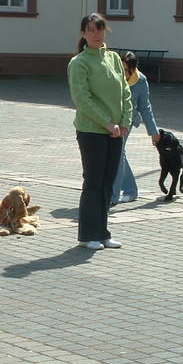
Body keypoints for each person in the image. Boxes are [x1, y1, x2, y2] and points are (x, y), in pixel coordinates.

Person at [68, 13, 132, 250]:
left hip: (115, 131)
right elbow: (82, 99)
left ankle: (103, 233)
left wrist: (125, 121)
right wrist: (106, 123)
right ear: (83, 34)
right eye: (91, 30)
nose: (96, 34)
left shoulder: (113, 58)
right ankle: (87, 236)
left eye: (100, 29)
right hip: (92, 131)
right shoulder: (79, 63)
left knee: (108, 183)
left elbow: (125, 90)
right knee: (93, 182)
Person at [111, 51, 161, 205]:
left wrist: (153, 131)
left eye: (127, 70)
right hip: (111, 120)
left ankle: (113, 196)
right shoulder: (112, 76)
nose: (124, 73)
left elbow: (145, 107)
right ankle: (131, 190)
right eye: (122, 69)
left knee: (118, 153)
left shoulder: (140, 81)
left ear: (134, 69)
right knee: (118, 154)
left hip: (127, 121)